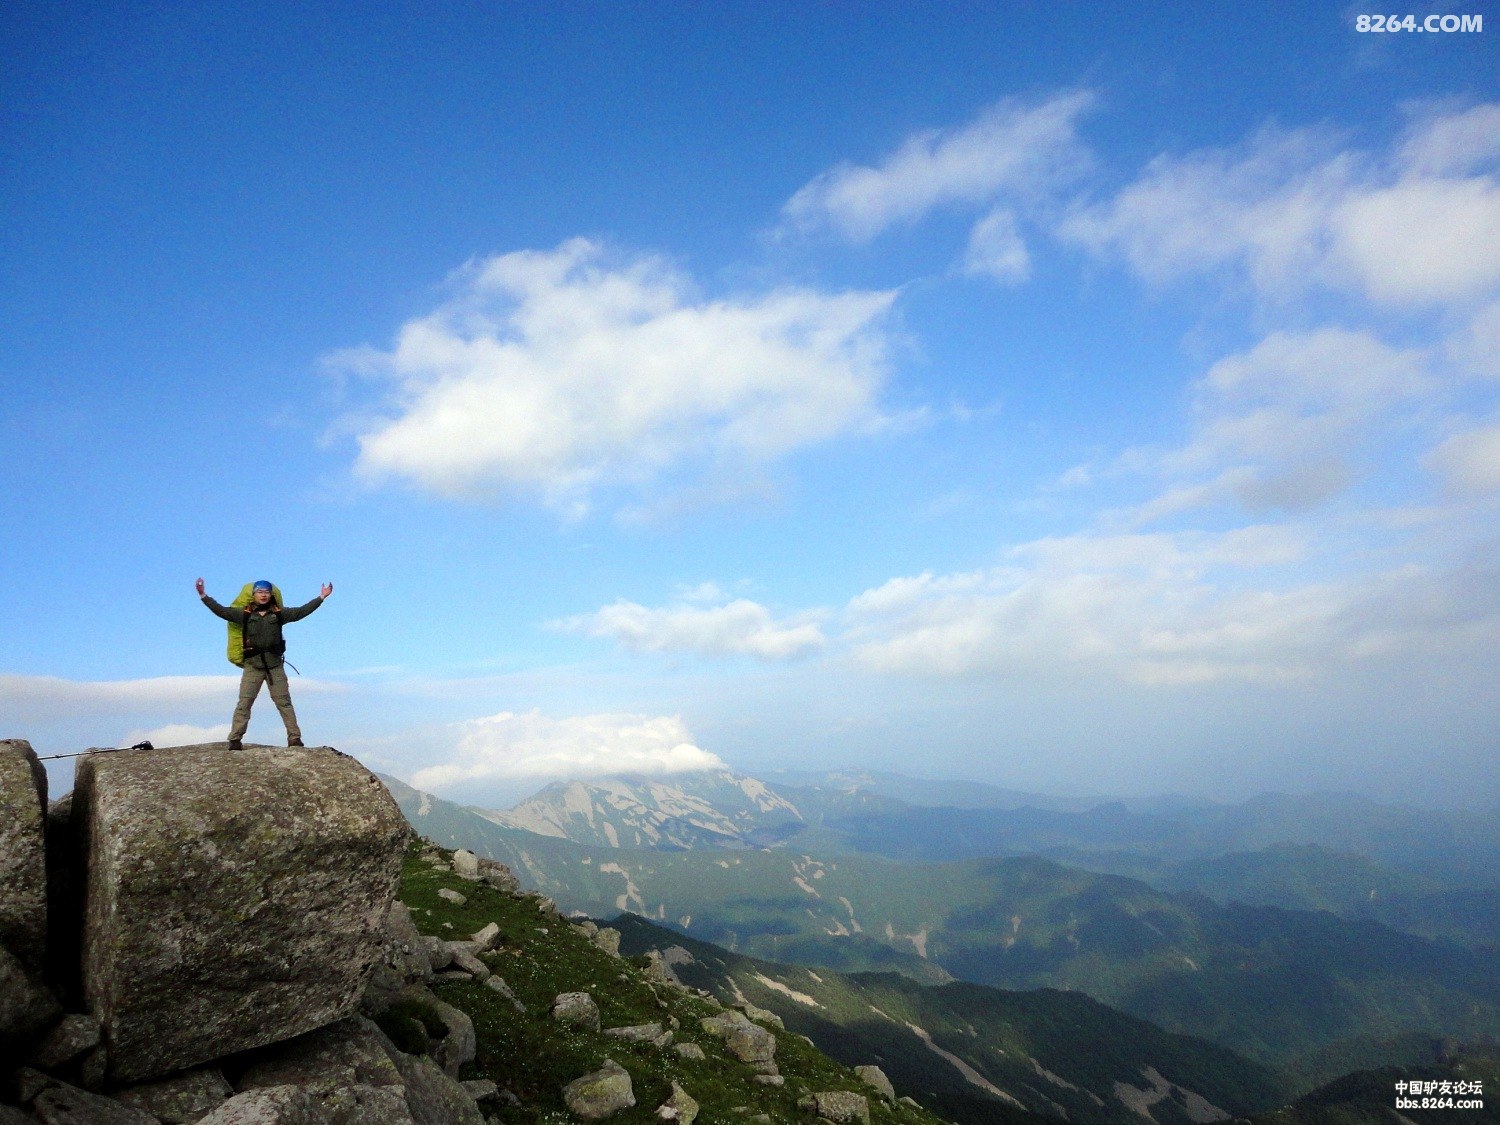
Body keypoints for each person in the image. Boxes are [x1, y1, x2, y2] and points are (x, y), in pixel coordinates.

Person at [196, 577, 333, 751]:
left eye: (266, 592)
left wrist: (321, 597)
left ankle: (294, 738)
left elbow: (301, 612)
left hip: (274, 666)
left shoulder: (279, 613)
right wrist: (203, 595)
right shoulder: (244, 614)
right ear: (253, 595)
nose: (263, 595)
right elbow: (221, 611)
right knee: (244, 703)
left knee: (284, 702)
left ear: (271, 595)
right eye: (259, 592)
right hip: (253, 666)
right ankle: (235, 739)